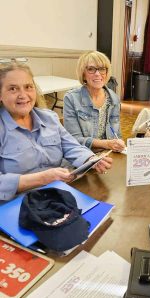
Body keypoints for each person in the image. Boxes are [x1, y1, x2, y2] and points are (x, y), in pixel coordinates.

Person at [0, 62, 112, 201]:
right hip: (19, 203)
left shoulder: (49, 117)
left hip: (58, 193)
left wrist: (90, 159)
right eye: (13, 89)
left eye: (28, 87)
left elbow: (71, 146)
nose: (23, 95)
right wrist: (41, 178)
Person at [63, 51, 125, 152]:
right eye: (91, 69)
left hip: (107, 153)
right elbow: (74, 140)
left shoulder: (113, 98)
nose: (97, 74)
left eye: (101, 69)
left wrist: (119, 143)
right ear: (83, 74)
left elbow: (117, 135)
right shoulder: (71, 98)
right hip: (82, 155)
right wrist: (106, 144)